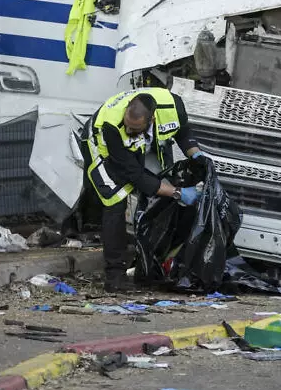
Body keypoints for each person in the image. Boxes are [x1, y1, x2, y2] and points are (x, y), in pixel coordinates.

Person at [83, 87, 205, 292]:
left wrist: (197, 156)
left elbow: (183, 133)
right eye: (128, 126)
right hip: (100, 146)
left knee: (158, 188)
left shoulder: (173, 106)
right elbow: (135, 175)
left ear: (152, 121)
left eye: (135, 128)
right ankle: (115, 275)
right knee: (114, 200)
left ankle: (152, 264)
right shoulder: (112, 126)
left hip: (136, 148)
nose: (129, 131)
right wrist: (178, 193)